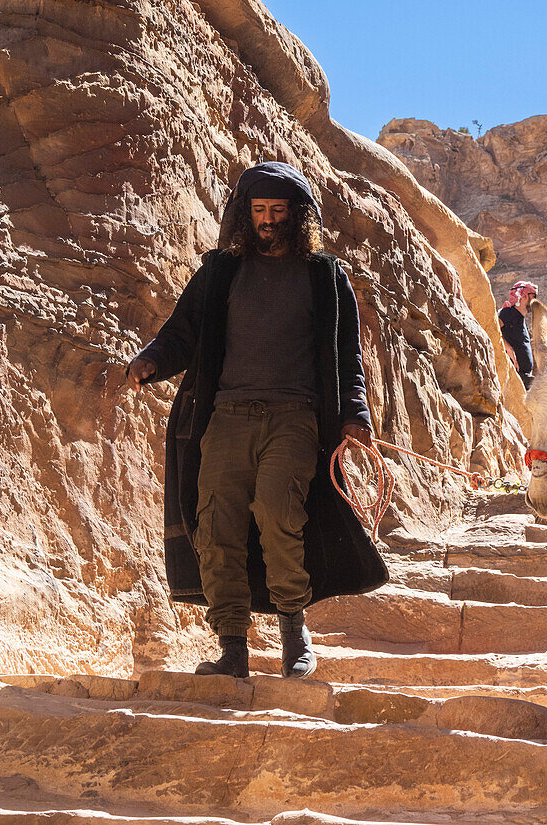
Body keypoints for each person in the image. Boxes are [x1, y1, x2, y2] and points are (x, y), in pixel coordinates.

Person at [125, 162, 387, 679]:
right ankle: (232, 650)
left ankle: (294, 630)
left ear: (298, 215)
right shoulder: (219, 272)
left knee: (277, 511)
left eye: (279, 210)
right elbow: (180, 334)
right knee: (216, 523)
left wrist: (355, 416)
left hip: (295, 416)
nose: (268, 220)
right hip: (226, 416)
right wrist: (151, 360)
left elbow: (347, 359)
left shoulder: (325, 276)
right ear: (245, 214)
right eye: (259, 210)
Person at [498, 281, 538, 388]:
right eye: (533, 296)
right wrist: (507, 348)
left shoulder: (521, 319)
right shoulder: (508, 313)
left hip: (524, 377)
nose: (535, 300)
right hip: (514, 376)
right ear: (524, 296)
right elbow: (491, 329)